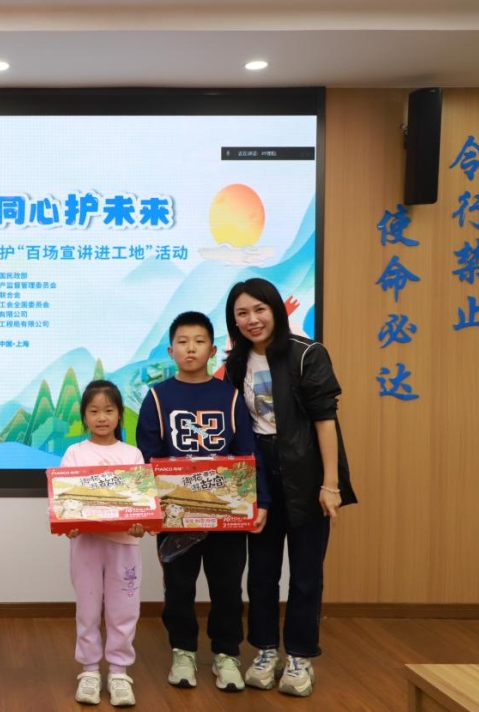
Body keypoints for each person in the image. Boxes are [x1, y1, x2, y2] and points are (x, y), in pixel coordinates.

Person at [223, 278, 356, 698]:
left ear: (276, 310)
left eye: (259, 309)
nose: (252, 319)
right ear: (233, 321)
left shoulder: (307, 353)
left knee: (305, 573)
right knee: (261, 572)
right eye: (242, 313)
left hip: (306, 472)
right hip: (260, 475)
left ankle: (299, 657)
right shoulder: (237, 362)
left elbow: (325, 420)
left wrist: (330, 484)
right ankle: (266, 651)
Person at [135, 311, 269, 694]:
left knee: (227, 587)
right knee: (178, 587)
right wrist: (151, 508)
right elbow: (148, 458)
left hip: (226, 513)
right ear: (170, 351)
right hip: (177, 515)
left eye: (199, 341)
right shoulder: (157, 397)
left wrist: (260, 500)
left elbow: (248, 454)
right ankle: (183, 652)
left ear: (212, 350)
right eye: (182, 342)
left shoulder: (230, 396)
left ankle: (227, 654)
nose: (190, 348)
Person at [58, 380, 146, 708]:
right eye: (94, 411)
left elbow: (141, 503)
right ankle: (90, 670)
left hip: (124, 545)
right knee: (88, 609)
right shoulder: (75, 453)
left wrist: (140, 523)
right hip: (86, 545)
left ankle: (120, 673)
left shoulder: (132, 454)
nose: (101, 417)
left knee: (124, 610)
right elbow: (65, 499)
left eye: (109, 410)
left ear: (120, 414)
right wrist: (68, 522)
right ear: (84, 416)